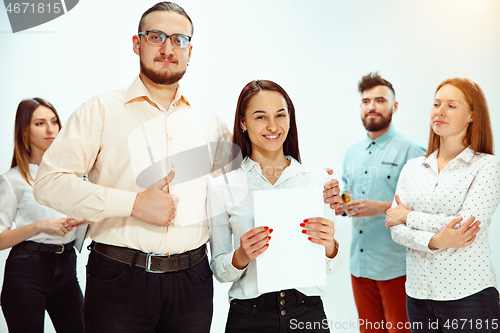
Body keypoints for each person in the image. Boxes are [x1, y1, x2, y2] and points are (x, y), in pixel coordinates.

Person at [32, 3, 340, 332]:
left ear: (190, 51)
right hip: (120, 279)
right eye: (156, 37)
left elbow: (251, 182)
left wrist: (317, 190)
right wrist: (133, 204)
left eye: (178, 40)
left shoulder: (210, 123)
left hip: (192, 283)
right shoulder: (100, 112)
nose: (167, 48)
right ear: (137, 44)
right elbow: (48, 183)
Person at [208, 80, 342, 333]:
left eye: (280, 115)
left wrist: (330, 246)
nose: (272, 126)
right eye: (260, 117)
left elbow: (332, 266)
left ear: (290, 119)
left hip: (307, 312)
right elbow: (219, 269)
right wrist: (241, 256)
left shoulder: (317, 181)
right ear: (243, 123)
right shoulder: (222, 187)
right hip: (249, 317)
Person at [386, 78, 500, 332]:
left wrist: (409, 216)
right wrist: (437, 240)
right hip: (417, 297)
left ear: (472, 114)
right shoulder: (412, 167)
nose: (440, 111)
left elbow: (465, 226)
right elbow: (395, 228)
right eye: (436, 104)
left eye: (451, 105)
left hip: (468, 295)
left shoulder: (487, 166)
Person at [337, 72, 425, 332]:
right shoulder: (351, 153)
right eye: (365, 101)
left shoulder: (413, 152)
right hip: (359, 265)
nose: (371, 107)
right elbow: (347, 194)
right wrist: (340, 203)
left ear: (394, 106)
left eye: (379, 100)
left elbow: (424, 208)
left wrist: (379, 208)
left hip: (396, 267)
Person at [0, 98, 84, 333]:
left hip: (67, 268)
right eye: (40, 123)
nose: (50, 129)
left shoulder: (74, 175)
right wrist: (39, 226)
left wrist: (86, 220)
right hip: (27, 270)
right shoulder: (13, 180)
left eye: (54, 121)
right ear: (24, 131)